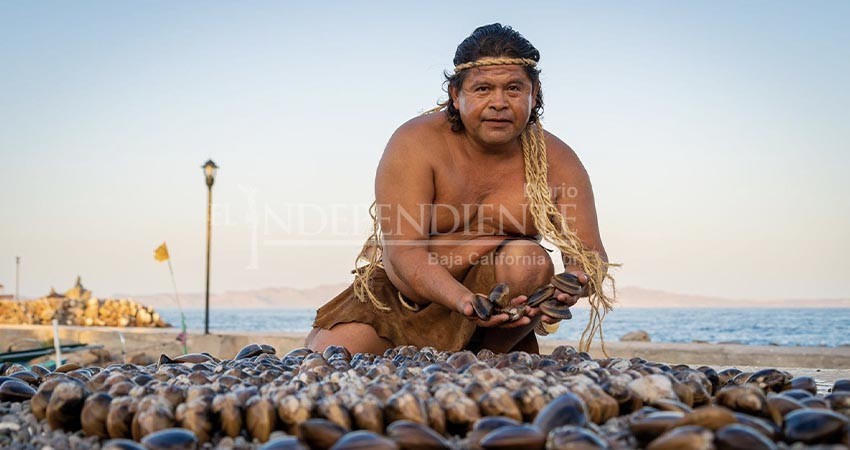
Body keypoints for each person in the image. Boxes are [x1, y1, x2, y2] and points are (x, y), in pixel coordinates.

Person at [307, 23, 614, 355]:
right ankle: (457, 356)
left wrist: (576, 282)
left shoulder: (557, 160)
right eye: (482, 89)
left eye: (513, 88)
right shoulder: (416, 144)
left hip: (498, 320)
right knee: (326, 362)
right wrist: (465, 302)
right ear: (456, 95)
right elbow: (403, 254)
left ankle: (487, 358)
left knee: (529, 261)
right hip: (405, 300)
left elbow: (590, 256)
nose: (499, 102)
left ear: (534, 93)